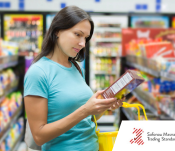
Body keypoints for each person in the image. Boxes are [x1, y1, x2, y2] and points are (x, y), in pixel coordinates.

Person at [24, 6, 124, 151]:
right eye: (78, 34)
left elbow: (85, 120)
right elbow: (39, 136)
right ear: (57, 31)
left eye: (86, 38)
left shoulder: (75, 67)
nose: (83, 43)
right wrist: (85, 110)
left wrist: (102, 106)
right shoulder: (38, 73)